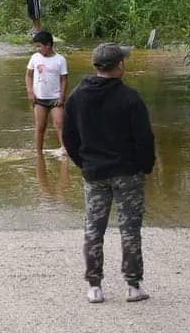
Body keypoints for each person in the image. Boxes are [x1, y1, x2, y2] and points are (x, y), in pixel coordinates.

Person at [63, 42, 154, 305]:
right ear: (120, 65)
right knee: (130, 229)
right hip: (128, 173)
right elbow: (145, 139)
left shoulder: (77, 97)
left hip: (94, 172)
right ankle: (133, 286)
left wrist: (83, 162)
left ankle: (94, 287)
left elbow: (69, 136)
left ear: (95, 65)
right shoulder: (130, 98)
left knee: (93, 229)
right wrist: (145, 166)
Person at [26, 31, 68, 156]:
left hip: (55, 98)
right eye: (36, 46)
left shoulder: (60, 60)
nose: (37, 49)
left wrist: (61, 97)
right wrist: (30, 91)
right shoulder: (35, 58)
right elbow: (28, 75)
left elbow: (64, 79)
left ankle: (64, 150)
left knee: (60, 124)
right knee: (40, 127)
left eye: (39, 46)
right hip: (39, 98)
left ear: (48, 45)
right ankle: (38, 153)